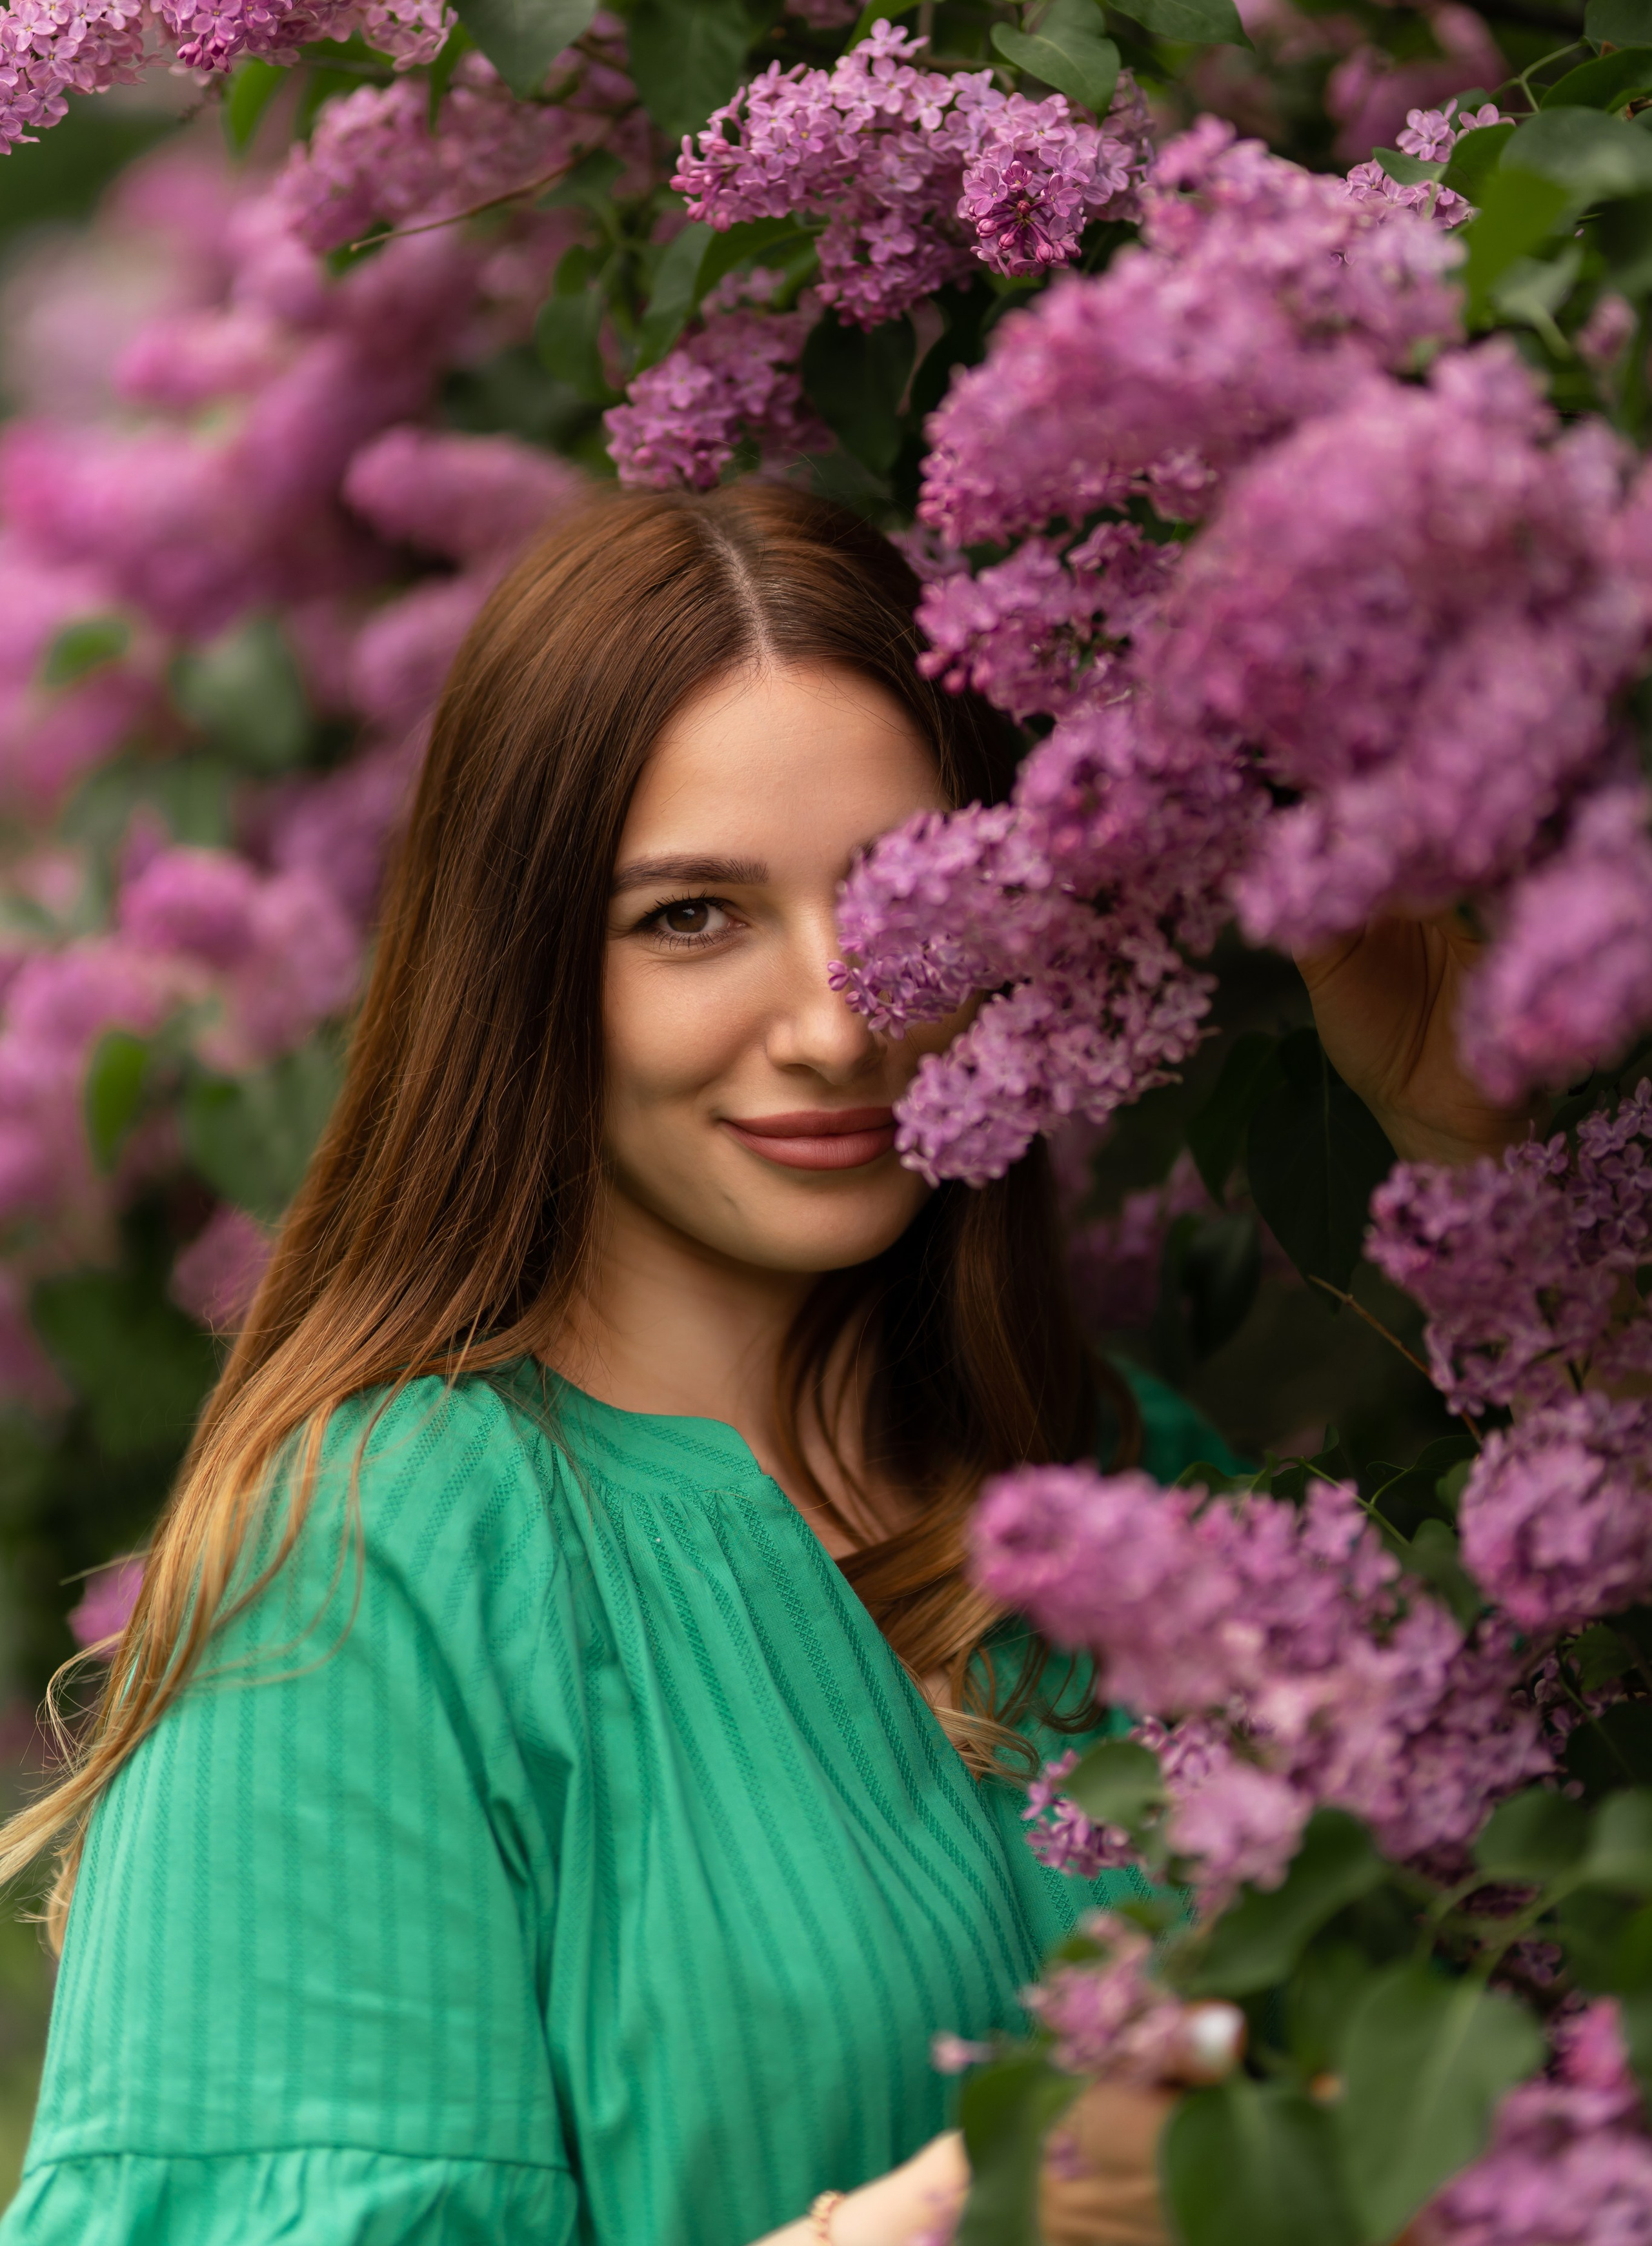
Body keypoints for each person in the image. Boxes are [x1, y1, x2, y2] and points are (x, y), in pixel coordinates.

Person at [0, 483, 1526, 2246]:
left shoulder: (1126, 1485)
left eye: (894, 898)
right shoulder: (364, 1574)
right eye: (692, 920)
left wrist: (1472, 1150)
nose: (835, 1020)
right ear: (524, 973)